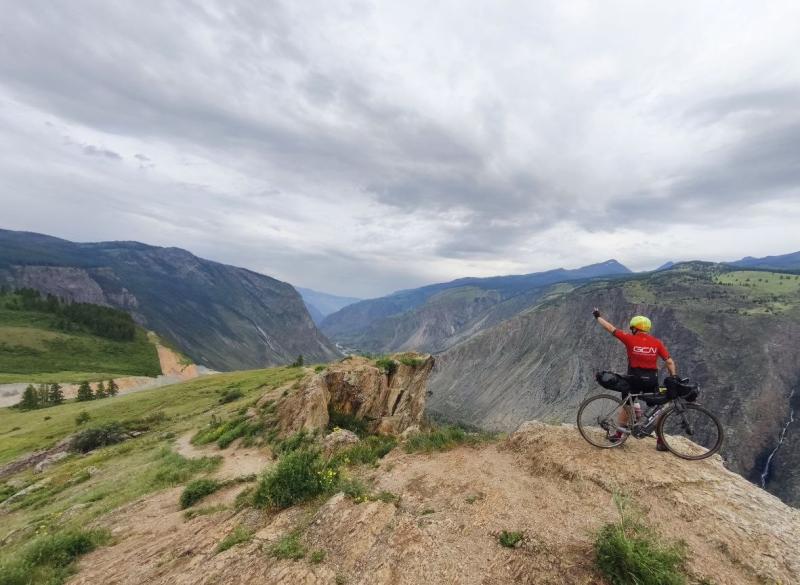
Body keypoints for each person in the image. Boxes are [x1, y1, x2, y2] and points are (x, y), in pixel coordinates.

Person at [592, 308, 677, 451]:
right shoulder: (657, 343)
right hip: (651, 380)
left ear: (635, 328)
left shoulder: (629, 339)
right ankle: (661, 441)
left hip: (634, 379)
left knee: (627, 404)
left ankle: (619, 435)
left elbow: (610, 328)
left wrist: (598, 317)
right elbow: (669, 362)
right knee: (657, 408)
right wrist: (673, 377)